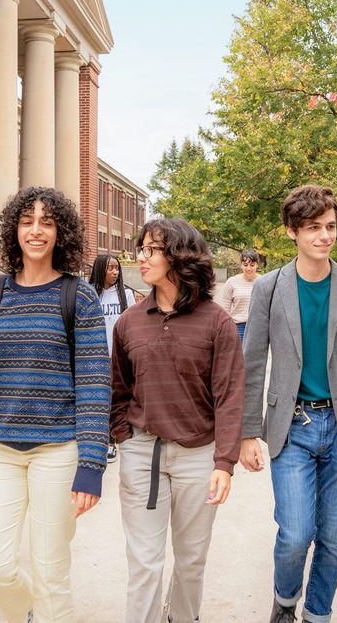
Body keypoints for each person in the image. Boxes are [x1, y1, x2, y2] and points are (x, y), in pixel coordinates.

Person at [0, 186, 111, 623]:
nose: (36, 230)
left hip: (58, 450)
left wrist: (91, 463)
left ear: (60, 233)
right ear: (14, 230)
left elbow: (94, 384)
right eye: (27, 221)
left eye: (46, 222)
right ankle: (28, 613)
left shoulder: (79, 296)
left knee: (52, 574)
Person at [241, 185, 337, 623]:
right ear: (291, 232)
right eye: (313, 228)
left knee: (333, 538)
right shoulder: (269, 287)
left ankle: (318, 613)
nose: (324, 236)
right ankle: (285, 601)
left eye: (330, 227)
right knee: (296, 534)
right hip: (293, 425)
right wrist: (247, 431)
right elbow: (253, 363)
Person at [110, 218, 245, 623]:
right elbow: (118, 387)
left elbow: (230, 395)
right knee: (145, 563)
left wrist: (224, 462)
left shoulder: (217, 322)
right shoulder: (128, 322)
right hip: (141, 454)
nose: (141, 256)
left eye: (151, 249)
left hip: (198, 457)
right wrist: (123, 435)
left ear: (179, 256)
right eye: (141, 248)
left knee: (190, 561)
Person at [89, 253, 136, 462]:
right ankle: (101, 440)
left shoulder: (126, 295)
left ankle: (113, 439)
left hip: (118, 357)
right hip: (95, 356)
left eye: (117, 268)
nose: (115, 272)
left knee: (116, 399)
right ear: (100, 269)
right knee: (99, 400)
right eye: (110, 268)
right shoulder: (89, 294)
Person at [218, 248, 261, 341]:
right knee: (238, 355)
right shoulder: (232, 282)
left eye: (252, 265)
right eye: (245, 265)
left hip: (257, 327)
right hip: (238, 327)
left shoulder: (263, 281)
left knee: (254, 355)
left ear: (257, 264)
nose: (248, 268)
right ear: (241, 265)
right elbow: (225, 310)